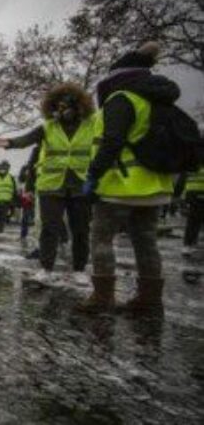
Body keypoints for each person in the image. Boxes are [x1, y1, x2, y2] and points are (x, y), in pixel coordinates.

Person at [79, 42, 177, 315]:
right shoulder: (156, 99)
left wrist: (93, 175)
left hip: (118, 185)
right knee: (146, 240)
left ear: (118, 75)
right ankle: (150, 300)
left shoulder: (121, 99)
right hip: (153, 184)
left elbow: (112, 141)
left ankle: (102, 298)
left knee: (101, 238)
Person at [0, 83, 95, 285]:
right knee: (49, 227)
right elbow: (28, 138)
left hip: (80, 184)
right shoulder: (48, 127)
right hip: (51, 185)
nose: (61, 110)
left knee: (81, 229)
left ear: (77, 106)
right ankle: (46, 268)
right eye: (57, 106)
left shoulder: (90, 124)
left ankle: (79, 269)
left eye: (65, 106)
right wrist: (10, 143)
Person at [178, 166, 204, 256]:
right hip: (196, 192)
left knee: (193, 220)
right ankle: (189, 244)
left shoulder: (192, 159)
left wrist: (177, 194)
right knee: (194, 220)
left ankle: (187, 245)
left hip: (192, 193)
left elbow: (182, 178)